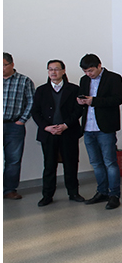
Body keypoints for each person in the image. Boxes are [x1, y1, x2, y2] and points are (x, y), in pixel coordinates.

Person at [31, 60, 83, 205]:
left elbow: (78, 110)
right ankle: (47, 195)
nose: (53, 72)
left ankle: (73, 192)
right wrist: (46, 127)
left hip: (68, 131)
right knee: (49, 165)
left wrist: (65, 125)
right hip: (49, 133)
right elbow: (35, 112)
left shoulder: (74, 89)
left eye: (56, 69)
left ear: (63, 71)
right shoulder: (41, 90)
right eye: (50, 69)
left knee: (71, 164)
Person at [78, 53, 122, 210]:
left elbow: (117, 99)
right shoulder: (84, 80)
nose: (88, 74)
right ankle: (102, 192)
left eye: (91, 70)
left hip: (105, 127)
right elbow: (84, 100)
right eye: (85, 71)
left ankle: (114, 194)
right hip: (88, 127)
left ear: (99, 66)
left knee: (110, 162)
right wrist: (81, 101)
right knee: (96, 163)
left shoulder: (113, 78)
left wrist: (94, 101)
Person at [3, 53, 35, 200]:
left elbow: (32, 102)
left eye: (4, 65)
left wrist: (22, 120)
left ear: (12, 64)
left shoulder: (24, 81)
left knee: (13, 159)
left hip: (14, 126)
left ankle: (9, 189)